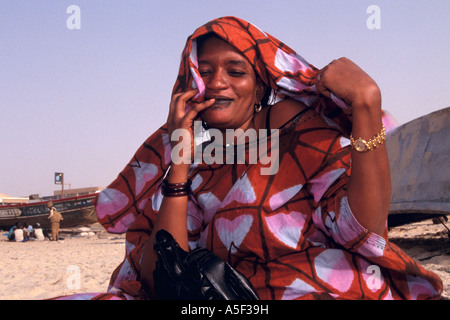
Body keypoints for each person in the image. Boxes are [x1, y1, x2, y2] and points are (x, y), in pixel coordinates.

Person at [91, 16, 442, 300]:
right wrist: (179, 161)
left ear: (260, 86)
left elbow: (363, 228)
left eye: (235, 71)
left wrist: (366, 106)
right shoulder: (193, 158)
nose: (217, 83)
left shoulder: (296, 130)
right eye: (206, 71)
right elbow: (163, 278)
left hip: (317, 287)